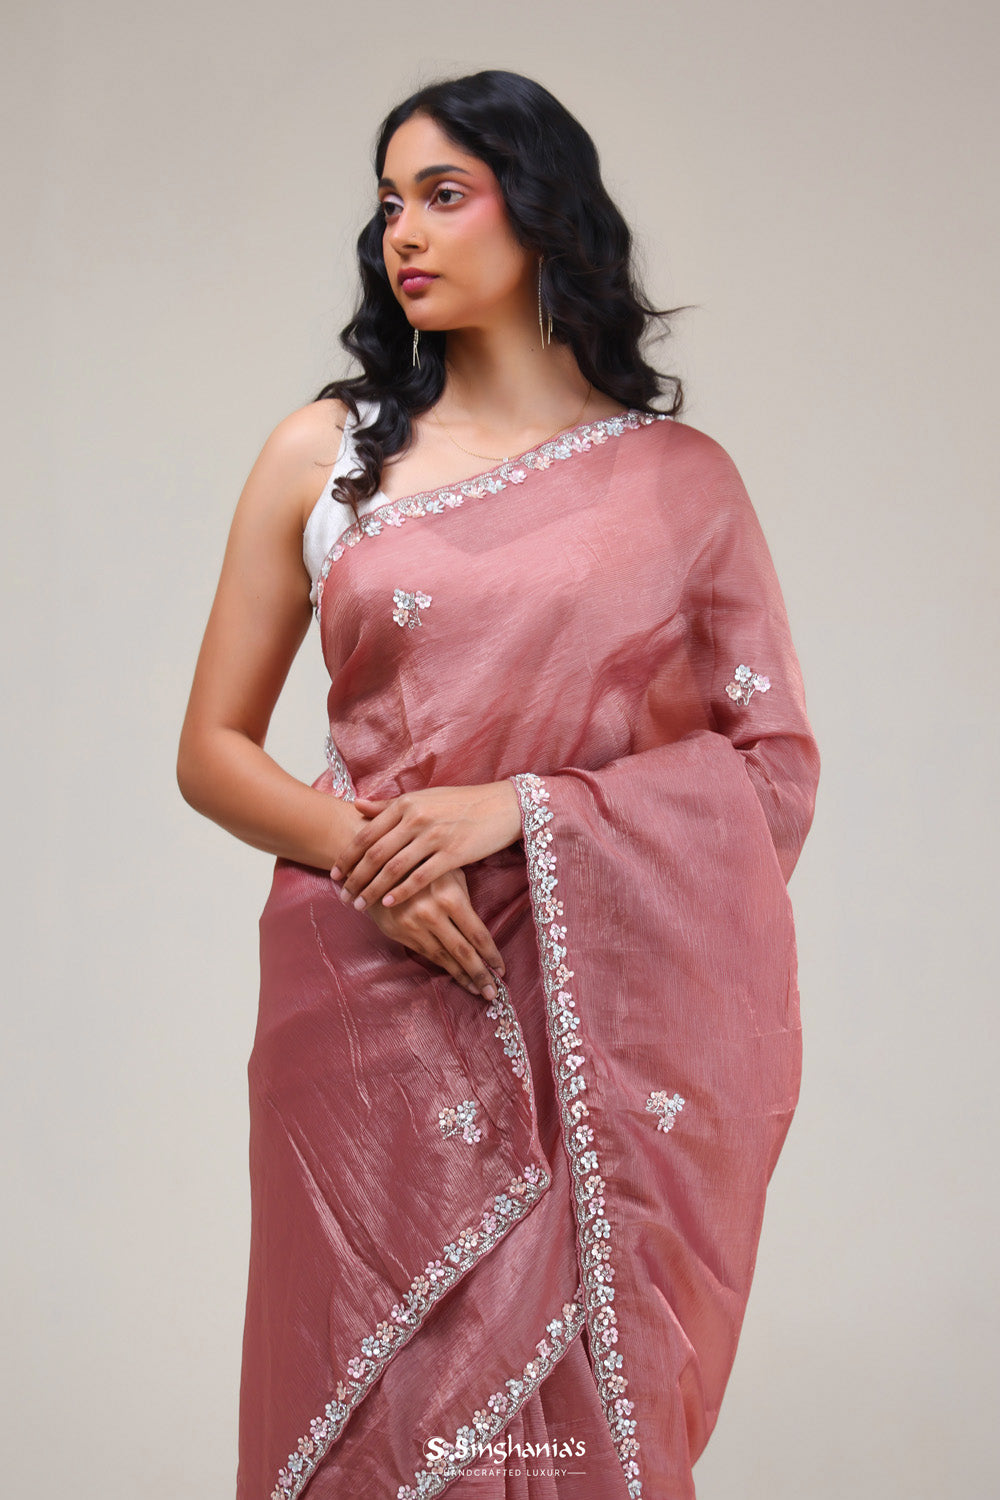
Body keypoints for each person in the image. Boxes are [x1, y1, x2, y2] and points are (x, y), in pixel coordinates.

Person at [177, 68, 820, 1500]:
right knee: (369, 1405)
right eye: (389, 202)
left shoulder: (682, 484)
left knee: (569, 1409)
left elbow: (770, 772)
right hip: (365, 1008)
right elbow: (210, 749)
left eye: (444, 195)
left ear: (540, 212)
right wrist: (374, 862)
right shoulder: (328, 455)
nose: (402, 231)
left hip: (589, 1020)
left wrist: (524, 815)